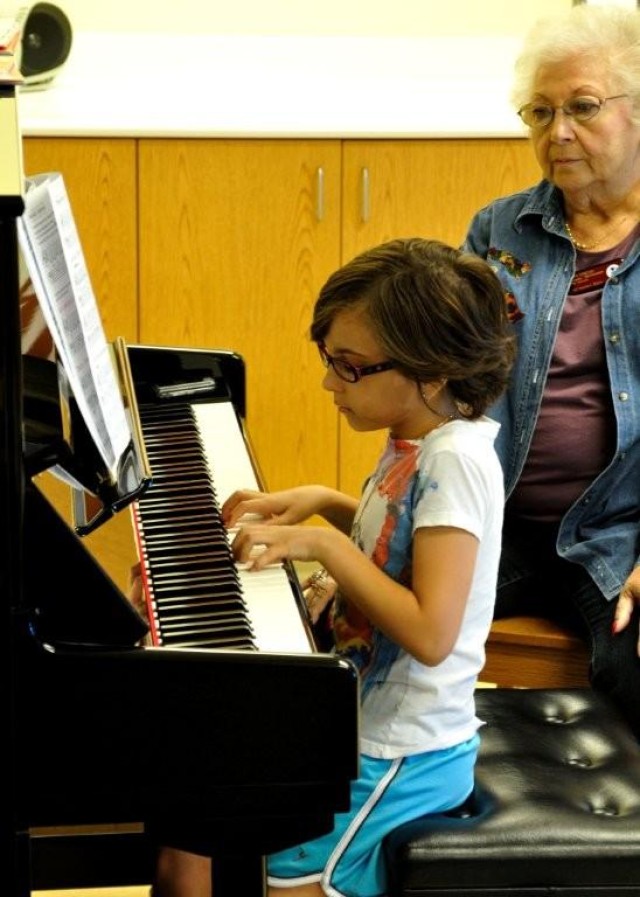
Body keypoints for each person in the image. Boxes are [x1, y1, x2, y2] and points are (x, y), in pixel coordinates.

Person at [151, 237, 515, 897]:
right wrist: (323, 503)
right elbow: (401, 544)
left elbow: (433, 632)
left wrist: (326, 548)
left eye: (349, 367)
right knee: (189, 838)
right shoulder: (420, 436)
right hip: (358, 717)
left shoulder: (454, 461)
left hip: (400, 753)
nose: (328, 381)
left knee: (273, 881)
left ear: (431, 371)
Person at [463, 4, 640, 738]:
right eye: (538, 111)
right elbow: (451, 386)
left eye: (582, 107)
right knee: (352, 628)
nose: (555, 132)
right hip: (498, 524)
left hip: (621, 538)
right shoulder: (498, 228)